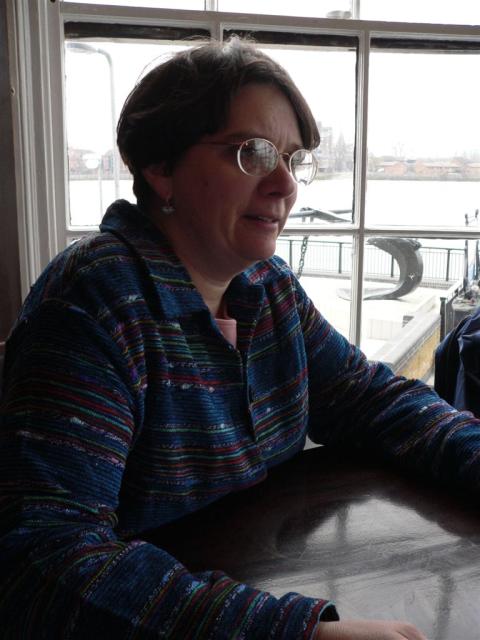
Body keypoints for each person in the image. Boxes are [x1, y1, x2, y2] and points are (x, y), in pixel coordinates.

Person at [0, 36, 477, 640]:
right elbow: (43, 560)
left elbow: (370, 400)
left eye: (291, 158)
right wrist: (296, 634)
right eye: (251, 152)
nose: (285, 186)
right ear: (160, 166)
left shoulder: (264, 287)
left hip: (256, 572)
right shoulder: (97, 301)